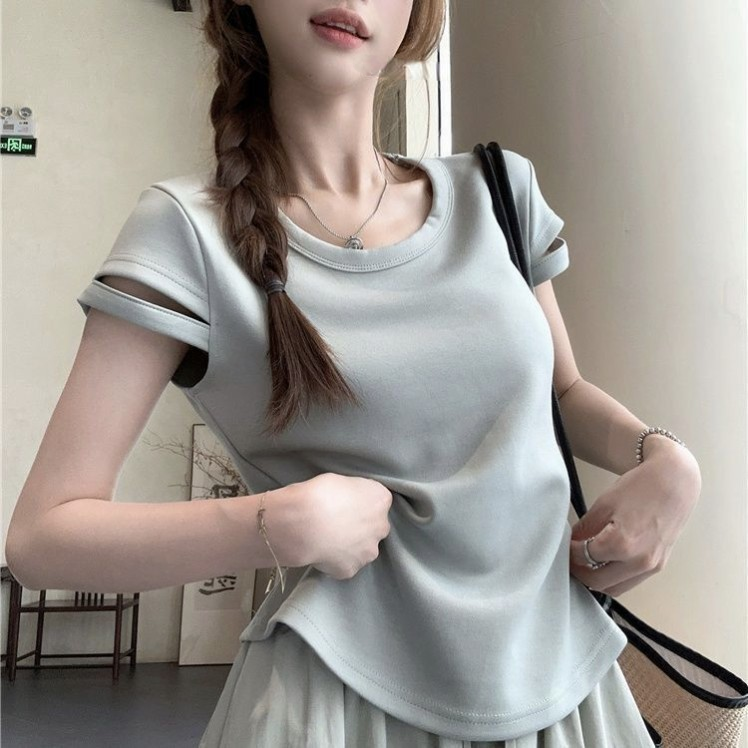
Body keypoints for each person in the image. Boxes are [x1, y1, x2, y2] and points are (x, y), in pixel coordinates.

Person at [6, 0, 703, 745]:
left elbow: (561, 394)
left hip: (562, 690)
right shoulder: (185, 232)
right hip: (337, 709)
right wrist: (278, 525)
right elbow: (42, 538)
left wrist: (665, 460)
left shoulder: (499, 193)